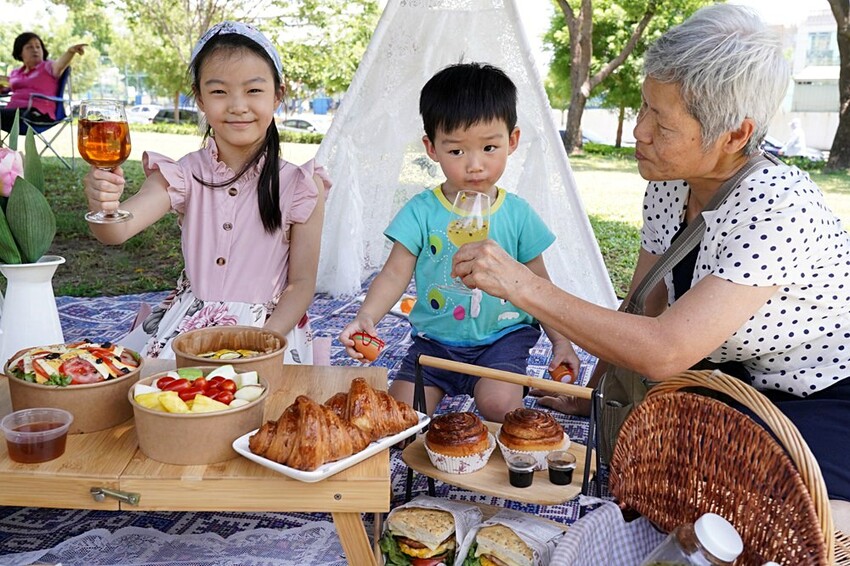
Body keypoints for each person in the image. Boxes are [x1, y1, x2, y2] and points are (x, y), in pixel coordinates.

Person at [451, 5, 850, 526]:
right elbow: (641, 307)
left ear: (735, 135)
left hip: (825, 393)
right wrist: (595, 395)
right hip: (735, 382)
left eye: (660, 123)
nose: (639, 131)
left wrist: (523, 286)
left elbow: (664, 350)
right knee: (654, 473)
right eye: (644, 106)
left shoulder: (778, 208)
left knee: (731, 506)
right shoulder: (670, 183)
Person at [339, 62, 580, 422]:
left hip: (502, 340)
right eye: (456, 151)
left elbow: (540, 284)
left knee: (500, 408)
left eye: (489, 147)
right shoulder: (421, 211)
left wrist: (561, 341)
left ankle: (503, 394)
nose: (475, 165)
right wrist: (367, 316)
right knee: (400, 417)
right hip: (435, 344)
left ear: (512, 141)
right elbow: (393, 274)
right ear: (432, 148)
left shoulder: (518, 214)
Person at [83, 21, 330, 364]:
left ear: (278, 95)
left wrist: (261, 343)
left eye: (253, 90)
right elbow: (116, 232)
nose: (238, 106)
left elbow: (301, 283)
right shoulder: (182, 174)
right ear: (199, 98)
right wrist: (103, 205)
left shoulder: (300, 185)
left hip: (270, 334)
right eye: (219, 92)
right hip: (188, 333)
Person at [0, 32, 86, 130]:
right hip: (12, 110)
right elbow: (8, 89)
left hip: (37, 113)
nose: (35, 50)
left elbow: (60, 65)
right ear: (20, 52)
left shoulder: (48, 67)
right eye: (29, 47)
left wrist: (70, 52)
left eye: (38, 46)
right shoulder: (15, 72)